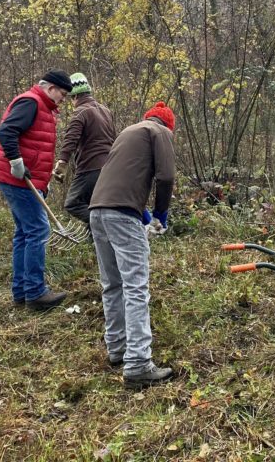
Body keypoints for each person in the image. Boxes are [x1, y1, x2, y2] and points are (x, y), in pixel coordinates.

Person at [88, 101, 176, 387]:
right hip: (122, 214)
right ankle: (138, 363)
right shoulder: (159, 131)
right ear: (167, 124)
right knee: (136, 286)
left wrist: (144, 212)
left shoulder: (129, 132)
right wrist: (161, 212)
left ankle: (118, 348)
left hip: (98, 211)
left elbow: (121, 176)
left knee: (112, 283)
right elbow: (165, 176)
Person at [0, 71, 73, 312]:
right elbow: (5, 132)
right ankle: (35, 293)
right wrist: (16, 162)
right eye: (63, 94)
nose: (63, 100)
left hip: (30, 179)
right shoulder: (31, 102)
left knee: (25, 234)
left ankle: (21, 292)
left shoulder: (42, 107)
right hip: (19, 180)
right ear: (51, 88)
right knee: (38, 230)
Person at [52, 73, 116, 225]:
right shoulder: (105, 110)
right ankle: (96, 238)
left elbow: (71, 139)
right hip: (109, 167)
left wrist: (62, 163)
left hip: (90, 168)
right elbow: (114, 138)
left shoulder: (80, 112)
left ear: (74, 96)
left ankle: (104, 224)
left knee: (72, 203)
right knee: (96, 205)